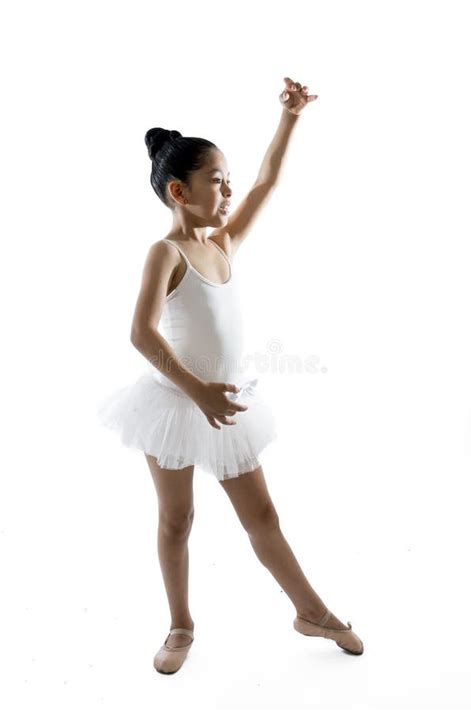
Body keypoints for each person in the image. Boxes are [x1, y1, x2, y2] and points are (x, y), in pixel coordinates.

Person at [97, 77, 364, 674]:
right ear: (178, 190)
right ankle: (180, 625)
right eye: (216, 181)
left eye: (226, 179)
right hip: (174, 403)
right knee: (177, 519)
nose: (228, 189)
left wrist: (290, 118)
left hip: (225, 402)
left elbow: (267, 182)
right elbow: (142, 333)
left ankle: (311, 612)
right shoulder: (165, 254)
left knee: (263, 517)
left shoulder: (222, 244)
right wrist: (195, 392)